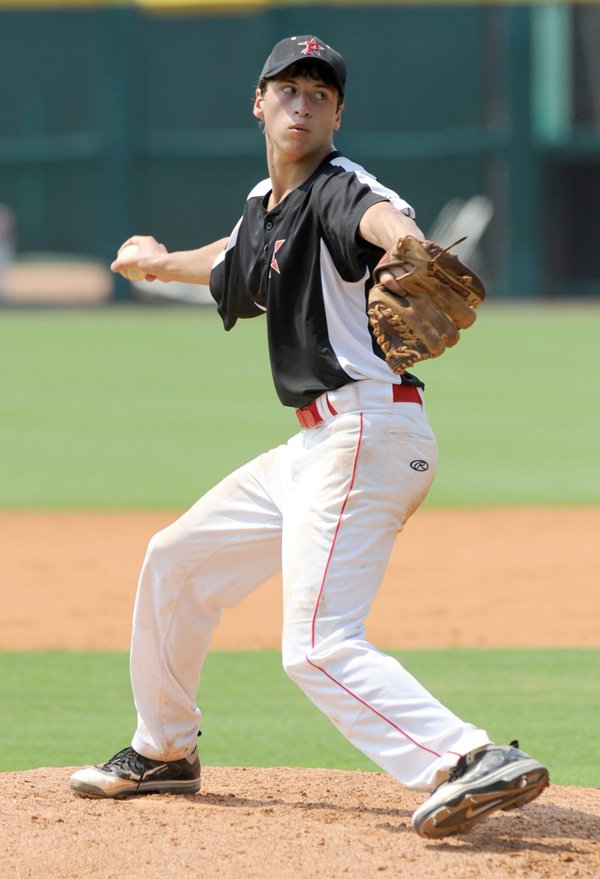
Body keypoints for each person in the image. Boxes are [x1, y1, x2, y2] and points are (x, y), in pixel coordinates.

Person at [69, 35, 549, 838]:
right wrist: (156, 263)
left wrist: (407, 247)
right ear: (259, 102)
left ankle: (467, 758)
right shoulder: (267, 205)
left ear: (337, 114)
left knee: (317, 644)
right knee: (176, 559)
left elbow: (378, 216)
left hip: (368, 430)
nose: (302, 102)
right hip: (318, 446)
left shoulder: (340, 190)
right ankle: (164, 750)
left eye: (319, 93)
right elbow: (233, 261)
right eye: (288, 88)